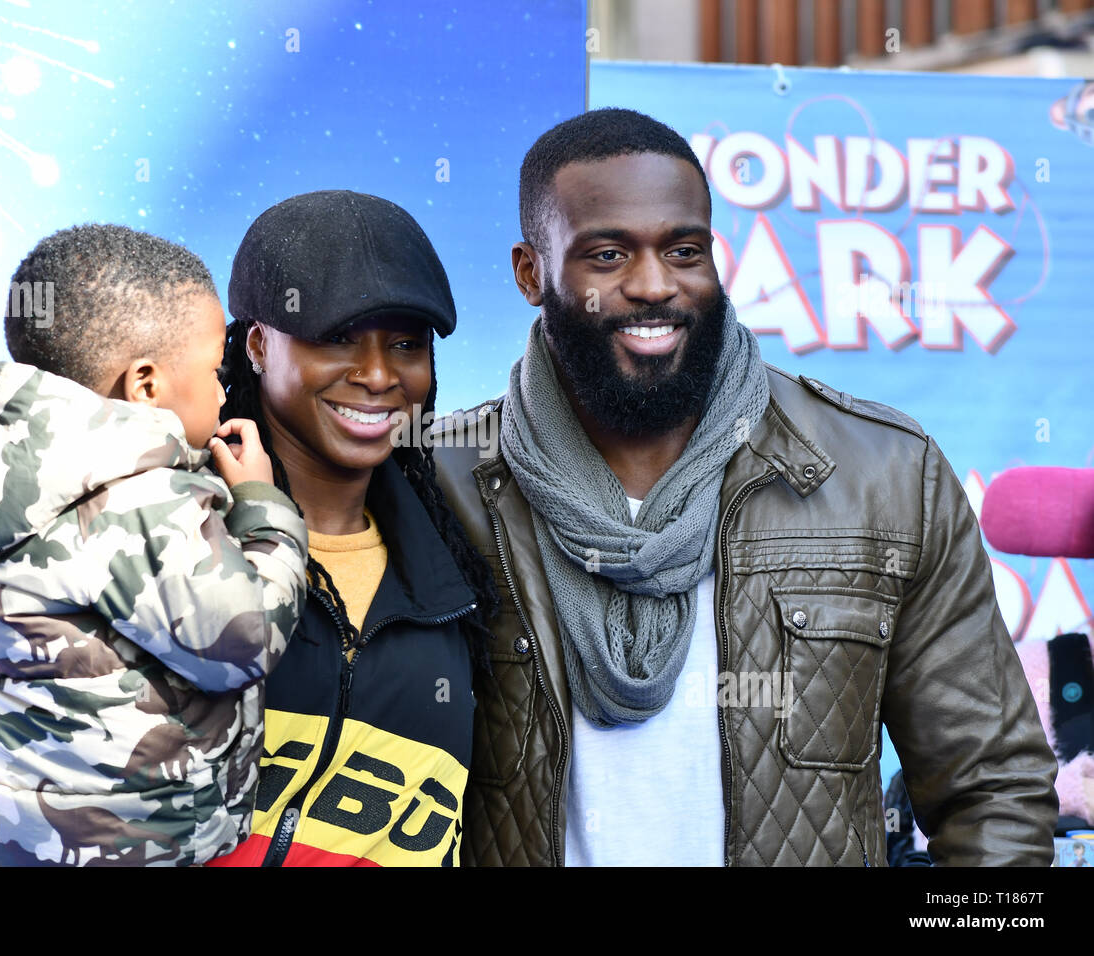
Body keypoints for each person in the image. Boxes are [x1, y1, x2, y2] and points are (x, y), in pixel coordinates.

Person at [432, 108, 1060, 866]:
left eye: (684, 250)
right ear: (531, 272)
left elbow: (991, 787)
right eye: (607, 254)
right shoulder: (447, 485)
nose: (654, 285)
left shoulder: (885, 475)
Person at [0, 224, 308, 866]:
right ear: (144, 386)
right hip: (128, 845)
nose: (225, 388)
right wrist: (261, 508)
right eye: (216, 369)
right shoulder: (142, 496)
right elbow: (244, 640)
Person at [206, 190, 498, 866]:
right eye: (337, 336)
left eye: (405, 344)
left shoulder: (460, 585)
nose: (376, 375)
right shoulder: (175, 536)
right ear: (256, 344)